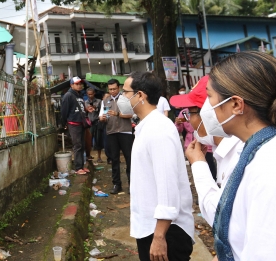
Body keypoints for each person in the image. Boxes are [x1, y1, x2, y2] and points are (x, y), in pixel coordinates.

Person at [203, 52, 276, 261]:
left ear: (236, 104)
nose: (206, 107)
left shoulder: (269, 167)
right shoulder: (255, 151)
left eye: (209, 96)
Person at [121, 71, 194, 261]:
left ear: (140, 96)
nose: (122, 98)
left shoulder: (158, 129)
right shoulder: (147, 126)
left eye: (125, 92)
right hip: (151, 227)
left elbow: (167, 184)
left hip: (166, 231)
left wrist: (160, 235)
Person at [169, 75, 244, 226]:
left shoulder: (242, 156)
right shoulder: (225, 150)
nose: (189, 120)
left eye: (192, 112)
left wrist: (198, 164)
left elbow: (220, 217)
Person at [99, 79, 134, 194]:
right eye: (110, 89)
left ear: (118, 88)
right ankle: (116, 184)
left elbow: (131, 114)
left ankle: (132, 184)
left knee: (129, 158)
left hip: (125, 132)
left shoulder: (125, 99)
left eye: (114, 89)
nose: (112, 91)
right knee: (114, 159)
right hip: (111, 132)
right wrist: (102, 118)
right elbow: (101, 116)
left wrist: (117, 114)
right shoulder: (105, 101)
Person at [60, 76, 90, 175]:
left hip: (81, 123)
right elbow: (64, 111)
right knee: (77, 145)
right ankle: (78, 168)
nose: (79, 85)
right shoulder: (68, 95)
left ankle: (81, 166)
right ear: (71, 85)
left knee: (82, 145)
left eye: (80, 84)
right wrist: (63, 124)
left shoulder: (79, 95)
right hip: (73, 123)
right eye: (77, 84)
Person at [85, 87, 104, 162]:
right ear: (87, 94)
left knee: (98, 139)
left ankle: (99, 157)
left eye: (91, 94)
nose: (90, 95)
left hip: (97, 121)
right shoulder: (86, 102)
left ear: (94, 93)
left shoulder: (99, 101)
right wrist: (87, 109)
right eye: (89, 94)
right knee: (88, 140)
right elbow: (85, 111)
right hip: (89, 123)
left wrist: (95, 108)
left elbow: (101, 111)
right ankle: (88, 155)